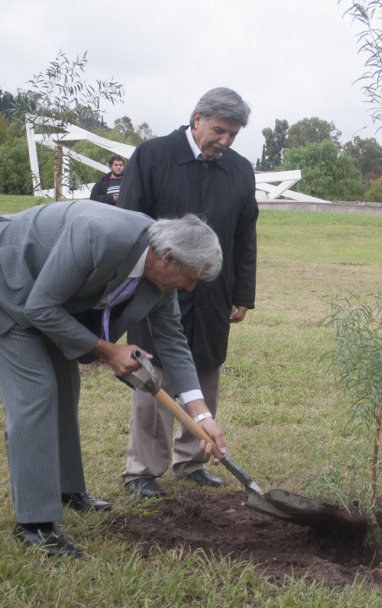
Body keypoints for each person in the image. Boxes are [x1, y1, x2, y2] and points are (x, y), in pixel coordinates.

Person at [0, 201, 228, 557]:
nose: (189, 289)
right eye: (191, 278)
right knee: (37, 393)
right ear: (169, 259)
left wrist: (202, 415)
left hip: (47, 295)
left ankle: (68, 490)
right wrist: (107, 350)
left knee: (65, 387)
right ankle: (35, 524)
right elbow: (39, 309)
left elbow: (173, 342)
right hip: (3, 278)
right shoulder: (99, 236)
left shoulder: (159, 277)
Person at [117, 87, 258, 497]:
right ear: (196, 119)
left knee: (206, 367)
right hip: (155, 286)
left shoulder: (240, 170)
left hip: (213, 292)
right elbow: (129, 226)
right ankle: (143, 469)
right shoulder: (152, 156)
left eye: (233, 134)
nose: (225, 141)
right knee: (154, 371)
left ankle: (192, 459)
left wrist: (242, 292)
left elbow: (245, 235)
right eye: (219, 130)